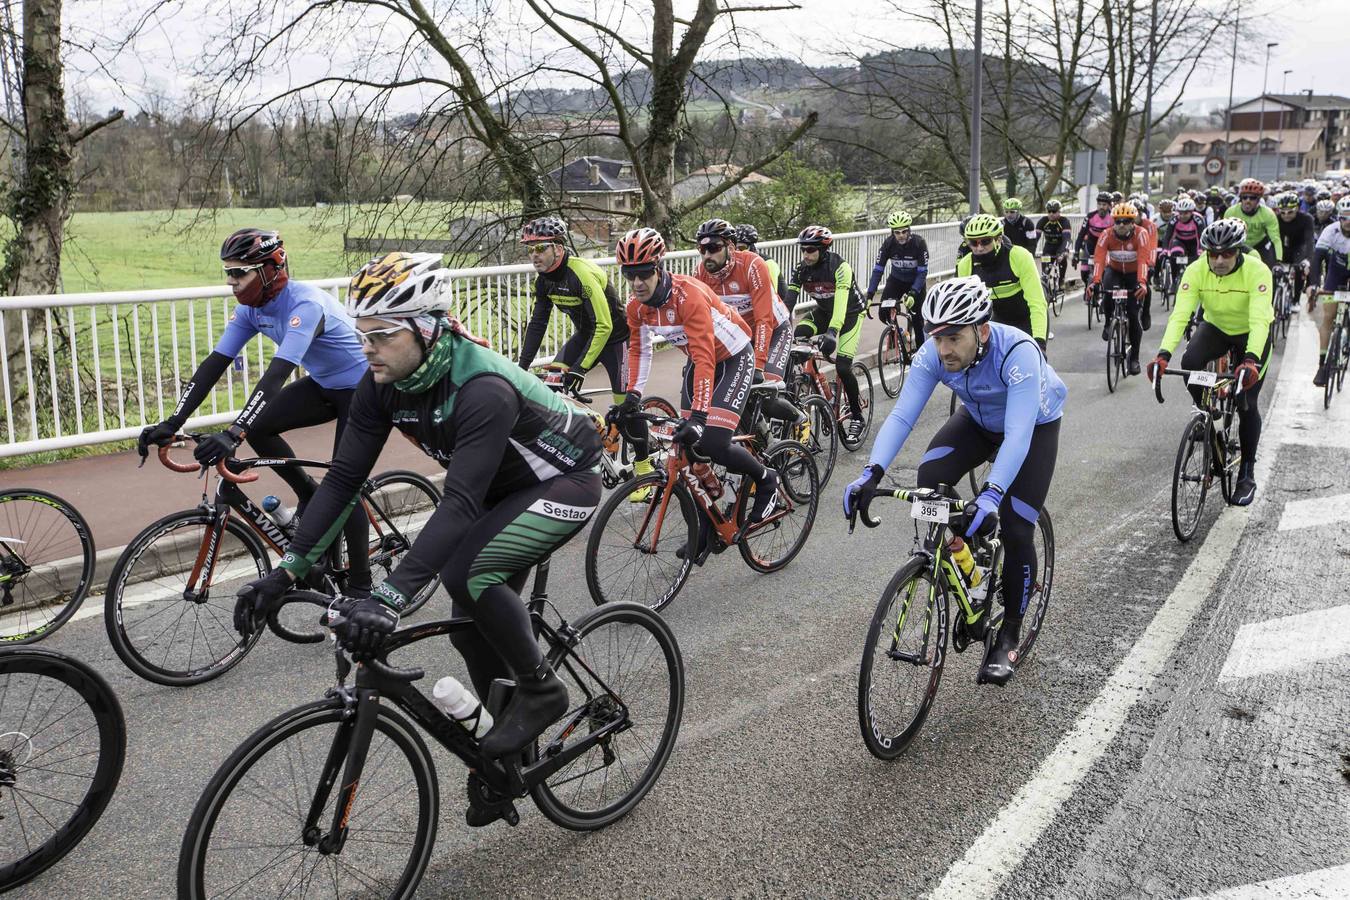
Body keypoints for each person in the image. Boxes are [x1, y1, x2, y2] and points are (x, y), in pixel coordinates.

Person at [233, 252, 604, 764]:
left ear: (428, 329)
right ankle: (512, 759)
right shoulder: (383, 382)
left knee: (468, 575)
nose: (368, 349)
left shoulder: (481, 388)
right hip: (498, 488)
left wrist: (388, 599)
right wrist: (284, 574)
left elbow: (459, 502)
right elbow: (343, 480)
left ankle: (542, 690)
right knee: (471, 627)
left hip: (564, 480)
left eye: (382, 335)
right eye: (363, 334)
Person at [842, 276, 1066, 686]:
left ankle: (1010, 632)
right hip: (978, 421)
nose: (943, 348)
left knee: (1016, 526)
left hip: (1032, 427)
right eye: (935, 336)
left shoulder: (1017, 353)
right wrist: (870, 473)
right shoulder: (934, 354)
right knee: (930, 481)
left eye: (953, 337)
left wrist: (993, 494)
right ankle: (969, 564)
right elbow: (902, 416)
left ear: (981, 331)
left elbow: (1018, 434)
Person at [137, 228, 372, 593]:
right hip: (326, 383)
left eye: (238, 272)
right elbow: (214, 364)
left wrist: (234, 433)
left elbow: (276, 373)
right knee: (261, 428)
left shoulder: (305, 304)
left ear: (269, 269)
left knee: (343, 485)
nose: (231, 281)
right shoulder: (250, 309)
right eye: (228, 273)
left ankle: (361, 590)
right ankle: (309, 493)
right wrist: (172, 421)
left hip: (364, 389)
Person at [613, 227, 781, 528]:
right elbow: (639, 351)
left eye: (644, 273)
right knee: (686, 445)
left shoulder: (687, 295)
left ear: (659, 267)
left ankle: (766, 478)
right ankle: (711, 515)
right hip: (698, 360)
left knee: (712, 441)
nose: (637, 283)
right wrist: (632, 398)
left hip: (732, 357)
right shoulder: (636, 307)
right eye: (629, 275)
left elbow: (705, 355)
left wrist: (700, 418)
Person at [1147, 219, 1272, 506]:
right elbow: (1180, 314)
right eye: (1212, 253)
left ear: (1238, 251)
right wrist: (1163, 355)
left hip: (1251, 334)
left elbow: (1260, 319)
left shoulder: (1257, 271)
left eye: (1226, 253)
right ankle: (1209, 413)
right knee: (1190, 361)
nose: (1218, 260)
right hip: (1215, 327)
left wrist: (1250, 360)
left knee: (1246, 403)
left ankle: (1247, 473)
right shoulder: (1196, 270)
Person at [692, 218, 800, 425]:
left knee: (765, 394)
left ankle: (800, 419)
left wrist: (758, 365)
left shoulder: (752, 265)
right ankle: (763, 439)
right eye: (702, 249)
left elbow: (764, 319)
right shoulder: (700, 274)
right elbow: (701, 323)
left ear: (731, 247)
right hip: (741, 338)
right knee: (734, 396)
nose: (707, 255)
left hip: (775, 330)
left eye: (713, 247)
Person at [787, 225, 870, 440]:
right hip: (824, 312)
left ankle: (857, 417)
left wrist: (833, 332)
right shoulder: (801, 269)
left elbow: (841, 305)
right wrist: (778, 328)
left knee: (843, 366)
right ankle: (815, 382)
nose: (806, 254)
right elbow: (788, 302)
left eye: (811, 250)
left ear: (823, 250)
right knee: (799, 333)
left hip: (851, 314)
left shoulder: (840, 267)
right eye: (803, 249)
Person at [955, 213, 1049, 352]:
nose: (979, 248)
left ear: (998, 239)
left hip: (1027, 316)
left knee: (1033, 363)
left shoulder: (1020, 257)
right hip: (999, 318)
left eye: (985, 241)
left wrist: (1039, 342)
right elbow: (966, 308)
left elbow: (1036, 303)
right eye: (973, 243)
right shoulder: (965, 265)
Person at [1093, 202, 1152, 374]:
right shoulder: (1106, 235)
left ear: (1133, 222)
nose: (1121, 225)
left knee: (1133, 315)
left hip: (1134, 274)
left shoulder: (1141, 234)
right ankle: (1108, 322)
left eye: (1126, 221)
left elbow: (1143, 260)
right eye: (1117, 221)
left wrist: (1142, 281)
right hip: (1116, 270)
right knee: (1107, 291)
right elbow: (1099, 259)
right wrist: (1095, 281)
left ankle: (1134, 358)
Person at [866, 210, 931, 347]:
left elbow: (922, 272)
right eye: (897, 232)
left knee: (917, 320)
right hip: (896, 280)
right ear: (892, 232)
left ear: (909, 230)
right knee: (883, 312)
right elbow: (878, 270)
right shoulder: (888, 244)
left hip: (915, 282)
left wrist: (913, 292)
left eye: (904, 232)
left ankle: (920, 354)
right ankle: (899, 333)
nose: (901, 236)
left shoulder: (919, 243)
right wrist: (870, 294)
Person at [1310, 197, 1350, 387]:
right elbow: (1317, 259)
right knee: (1328, 317)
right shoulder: (1330, 231)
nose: (1348, 221)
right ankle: (1322, 364)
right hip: (1336, 272)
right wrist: (1314, 284)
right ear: (1339, 218)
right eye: (1344, 217)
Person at [1225, 178, 1282, 269]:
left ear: (1259, 200)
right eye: (1244, 197)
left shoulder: (1268, 214)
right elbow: (1226, 237)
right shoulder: (1231, 212)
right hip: (1239, 245)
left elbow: (1275, 239)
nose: (1248, 201)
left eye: (1252, 198)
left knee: (1269, 271)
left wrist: (1278, 261)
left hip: (1260, 246)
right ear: (1240, 198)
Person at [734, 223, 788, 308]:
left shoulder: (767, 263)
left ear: (751, 247)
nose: (737, 252)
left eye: (742, 248)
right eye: (734, 249)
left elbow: (769, 295)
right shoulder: (736, 263)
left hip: (780, 309)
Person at [1073, 192, 1114, 291]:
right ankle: (1087, 287)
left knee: (1105, 272)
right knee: (1084, 273)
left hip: (1106, 246)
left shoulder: (1113, 218)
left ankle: (1102, 290)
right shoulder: (1090, 216)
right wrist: (1076, 252)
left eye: (1104, 205)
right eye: (1099, 204)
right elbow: (1081, 235)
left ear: (1109, 206)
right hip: (1090, 246)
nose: (1101, 207)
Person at [1035, 200, 1072, 290]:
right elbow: (1035, 238)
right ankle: (1045, 285)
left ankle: (1061, 279)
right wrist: (1030, 251)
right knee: (1045, 271)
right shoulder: (1043, 221)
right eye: (1049, 211)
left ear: (1059, 212)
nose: (1051, 214)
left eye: (1054, 211)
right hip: (1049, 246)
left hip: (1061, 245)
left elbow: (1067, 239)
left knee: (1061, 258)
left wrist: (1063, 252)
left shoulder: (1064, 221)